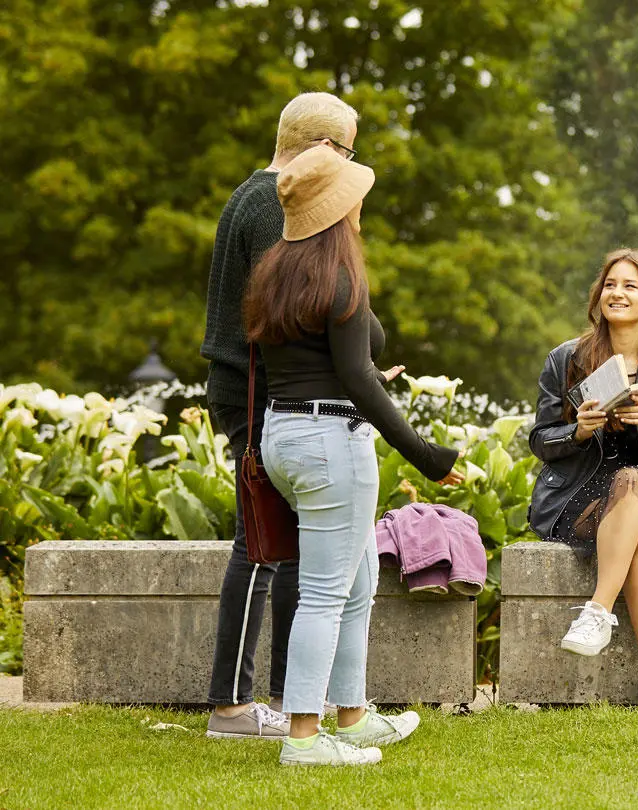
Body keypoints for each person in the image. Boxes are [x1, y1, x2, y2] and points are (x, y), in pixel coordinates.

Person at [243, 145, 463, 766]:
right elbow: (358, 378)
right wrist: (427, 454)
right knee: (324, 593)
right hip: (329, 444)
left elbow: (344, 362)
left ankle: (353, 716)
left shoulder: (278, 271)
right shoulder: (338, 275)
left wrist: (358, 371)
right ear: (340, 207)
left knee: (359, 579)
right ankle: (305, 740)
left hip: (285, 433)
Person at [199, 92, 360, 740]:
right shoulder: (276, 204)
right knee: (261, 545)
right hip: (252, 389)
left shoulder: (257, 194)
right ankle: (232, 707)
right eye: (348, 153)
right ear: (324, 150)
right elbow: (292, 313)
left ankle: (291, 701)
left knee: (288, 549)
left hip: (256, 386)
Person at [527, 248, 638, 714]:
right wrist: (579, 430)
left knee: (633, 481)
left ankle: (597, 613)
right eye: (610, 284)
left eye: (630, 286)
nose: (617, 293)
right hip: (577, 497)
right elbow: (541, 439)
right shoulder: (567, 358)